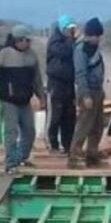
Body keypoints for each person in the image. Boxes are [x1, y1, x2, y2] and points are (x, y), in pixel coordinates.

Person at [0, 24, 45, 175]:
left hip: (25, 100)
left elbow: (37, 79)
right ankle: (10, 164)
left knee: (29, 130)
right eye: (27, 41)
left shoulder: (31, 55)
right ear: (18, 40)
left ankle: (21, 157)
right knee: (11, 131)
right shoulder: (5, 54)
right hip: (9, 100)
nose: (29, 44)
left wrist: (41, 96)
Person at [68, 17, 106, 168]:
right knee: (84, 125)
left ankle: (92, 155)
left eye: (99, 36)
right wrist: (85, 95)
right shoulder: (81, 50)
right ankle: (74, 156)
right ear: (89, 35)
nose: (98, 39)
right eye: (95, 36)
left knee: (97, 125)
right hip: (88, 92)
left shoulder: (94, 49)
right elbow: (80, 74)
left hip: (98, 90)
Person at [45, 14, 78, 154]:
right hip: (56, 84)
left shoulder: (71, 42)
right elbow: (64, 52)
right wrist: (72, 40)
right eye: (70, 29)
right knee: (54, 116)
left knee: (69, 117)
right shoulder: (55, 42)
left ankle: (68, 145)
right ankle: (52, 144)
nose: (72, 31)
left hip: (69, 84)